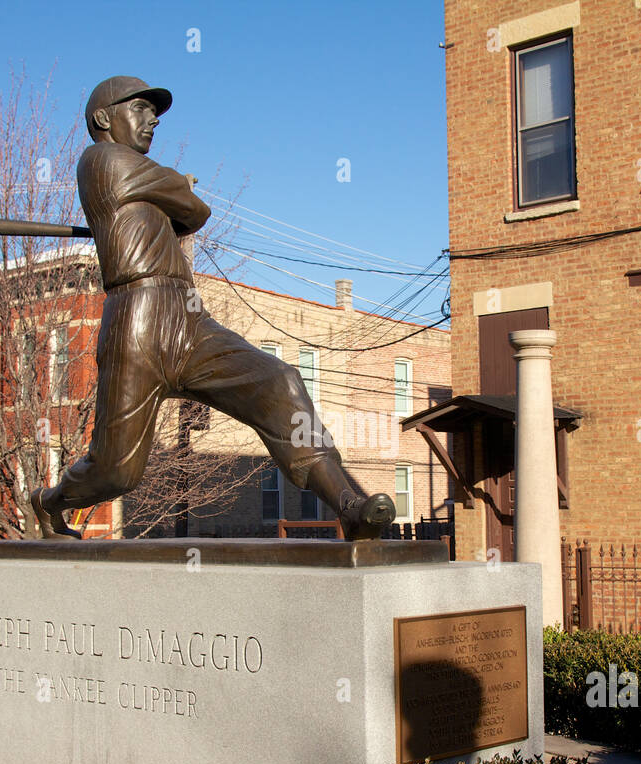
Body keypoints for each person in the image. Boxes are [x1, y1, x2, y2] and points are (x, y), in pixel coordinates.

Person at [31, 76, 396, 541]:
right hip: (136, 319)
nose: (152, 120)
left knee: (278, 381)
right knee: (117, 472)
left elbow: (194, 212)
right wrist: (175, 189)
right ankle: (50, 502)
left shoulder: (141, 179)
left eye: (153, 112)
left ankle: (348, 504)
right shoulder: (101, 160)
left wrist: (171, 197)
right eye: (139, 109)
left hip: (186, 314)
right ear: (103, 119)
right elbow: (192, 206)